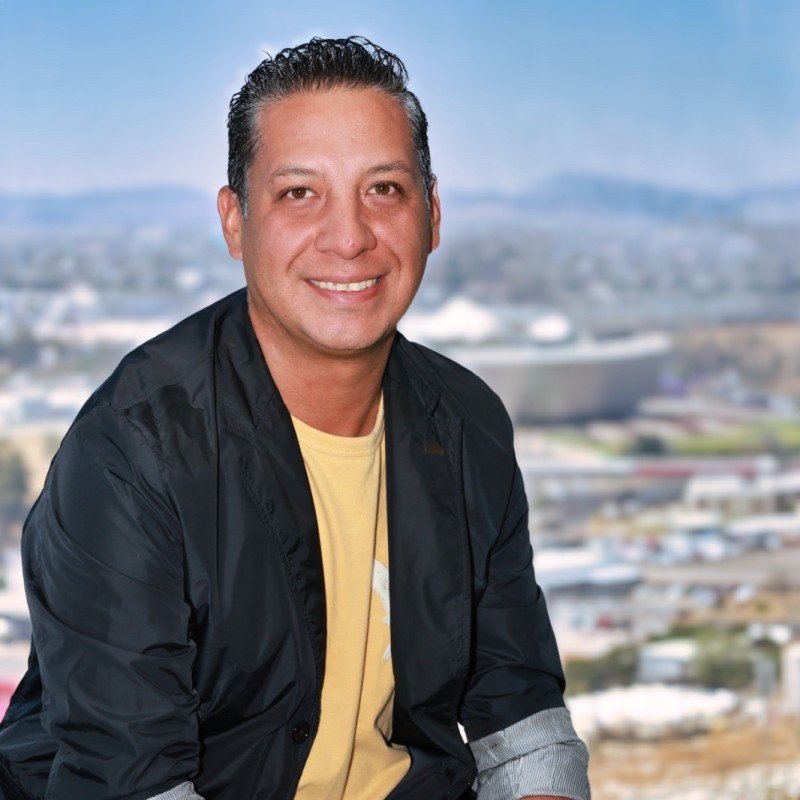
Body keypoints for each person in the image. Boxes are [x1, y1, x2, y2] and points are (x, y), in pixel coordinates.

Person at [0, 36, 589, 800]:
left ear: (432, 215)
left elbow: (522, 724)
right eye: (298, 193)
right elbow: (130, 782)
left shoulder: (469, 423)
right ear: (235, 221)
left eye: (384, 189)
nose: (348, 238)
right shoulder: (133, 449)